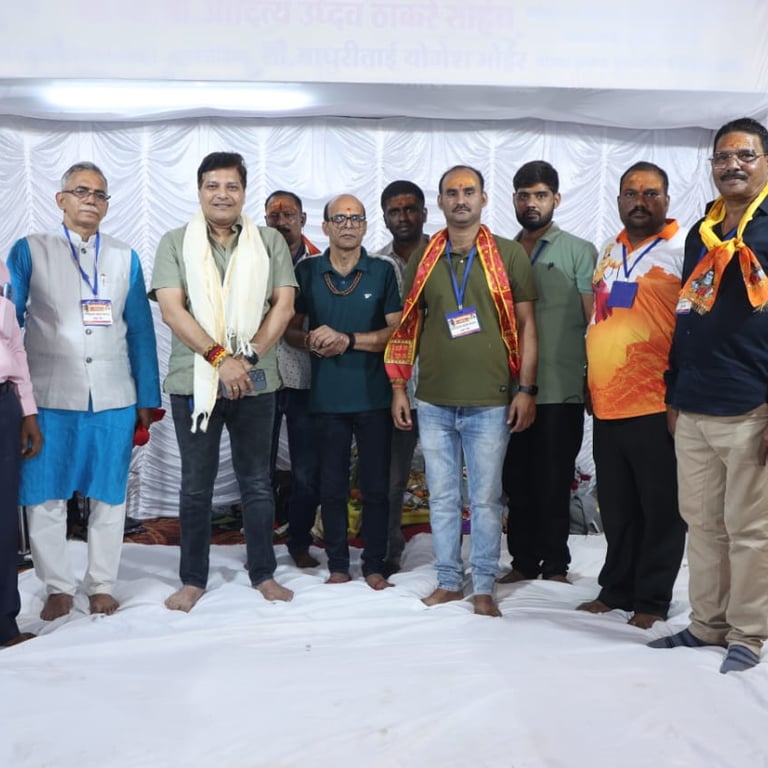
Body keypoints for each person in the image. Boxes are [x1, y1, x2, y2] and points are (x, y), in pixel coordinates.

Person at [6, 161, 160, 621]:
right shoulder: (30, 250)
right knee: (44, 492)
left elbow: (141, 330)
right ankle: (56, 585)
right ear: (61, 199)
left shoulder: (125, 257)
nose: (91, 199)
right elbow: (8, 325)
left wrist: (147, 398)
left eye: (100, 194)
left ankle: (101, 584)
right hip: (48, 397)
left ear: (107, 204)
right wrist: (16, 398)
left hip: (113, 396)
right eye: (81, 191)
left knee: (109, 494)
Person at [385, 165, 538, 617]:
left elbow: (528, 326)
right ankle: (449, 580)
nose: (460, 200)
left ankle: (484, 584)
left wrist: (526, 389)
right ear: (440, 202)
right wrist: (399, 386)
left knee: (486, 500)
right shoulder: (424, 257)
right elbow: (407, 327)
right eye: (451, 193)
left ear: (483, 199)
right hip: (433, 401)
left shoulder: (508, 254)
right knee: (443, 498)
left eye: (469, 191)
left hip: (491, 402)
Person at [151, 152, 296, 612]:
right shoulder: (175, 242)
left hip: (256, 380)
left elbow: (284, 306)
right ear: (199, 191)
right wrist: (219, 359)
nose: (222, 194)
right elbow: (172, 310)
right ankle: (193, 579)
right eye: (212, 185)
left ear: (244, 192)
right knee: (197, 485)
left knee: (257, 482)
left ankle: (263, 574)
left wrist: (245, 358)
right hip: (194, 382)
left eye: (232, 186)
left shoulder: (268, 241)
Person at [650, 118, 768, 673]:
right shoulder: (704, 231)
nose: (732, 165)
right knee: (701, 524)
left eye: (745, 155)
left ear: (765, 162)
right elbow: (689, 311)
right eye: (722, 157)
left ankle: (748, 633)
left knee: (750, 531)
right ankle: (706, 624)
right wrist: (674, 392)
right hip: (695, 401)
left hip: (752, 403)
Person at [578, 161, 686, 629]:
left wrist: (681, 394)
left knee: (660, 509)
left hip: (656, 403)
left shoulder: (684, 249)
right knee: (618, 507)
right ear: (619, 199)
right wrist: (590, 375)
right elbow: (602, 318)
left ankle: (652, 599)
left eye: (650, 193)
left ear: (667, 199)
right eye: (630, 193)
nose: (639, 201)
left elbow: (695, 328)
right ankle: (616, 588)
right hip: (607, 403)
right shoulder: (611, 248)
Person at [285, 194, 402, 589]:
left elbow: (397, 332)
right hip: (326, 397)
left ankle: (373, 564)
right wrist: (311, 340)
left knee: (376, 488)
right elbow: (290, 331)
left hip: (374, 396)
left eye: (356, 218)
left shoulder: (382, 270)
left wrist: (348, 340)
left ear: (365, 226)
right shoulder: (307, 270)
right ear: (325, 226)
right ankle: (338, 563)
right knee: (331, 486)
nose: (348, 225)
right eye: (340, 218)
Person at [498, 161, 596, 585]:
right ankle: (522, 561)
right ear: (514, 200)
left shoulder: (578, 250)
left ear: (556, 199)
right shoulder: (501, 252)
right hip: (508, 389)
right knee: (515, 479)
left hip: (560, 386)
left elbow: (596, 321)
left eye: (540, 195)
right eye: (524, 196)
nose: (531, 203)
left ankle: (555, 564)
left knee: (554, 480)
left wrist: (593, 379)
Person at [265, 190, 322, 569]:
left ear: (303, 219)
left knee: (306, 469)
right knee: (258, 469)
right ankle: (259, 544)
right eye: (274, 215)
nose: (282, 221)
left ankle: (299, 541)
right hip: (261, 376)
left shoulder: (319, 265)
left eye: (289, 215)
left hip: (304, 377)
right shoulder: (252, 260)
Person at [374, 180, 429, 577]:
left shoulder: (447, 254)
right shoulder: (376, 265)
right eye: (394, 211)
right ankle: (389, 553)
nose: (403, 217)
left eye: (410, 209)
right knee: (391, 480)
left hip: (444, 385)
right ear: (385, 217)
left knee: (456, 483)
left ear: (424, 213)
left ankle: (457, 559)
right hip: (396, 390)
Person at [0, 262, 42, 647]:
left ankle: (4, 625)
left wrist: (27, 410)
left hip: (3, 404)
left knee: (3, 521)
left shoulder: (1, 272)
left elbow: (13, 344)